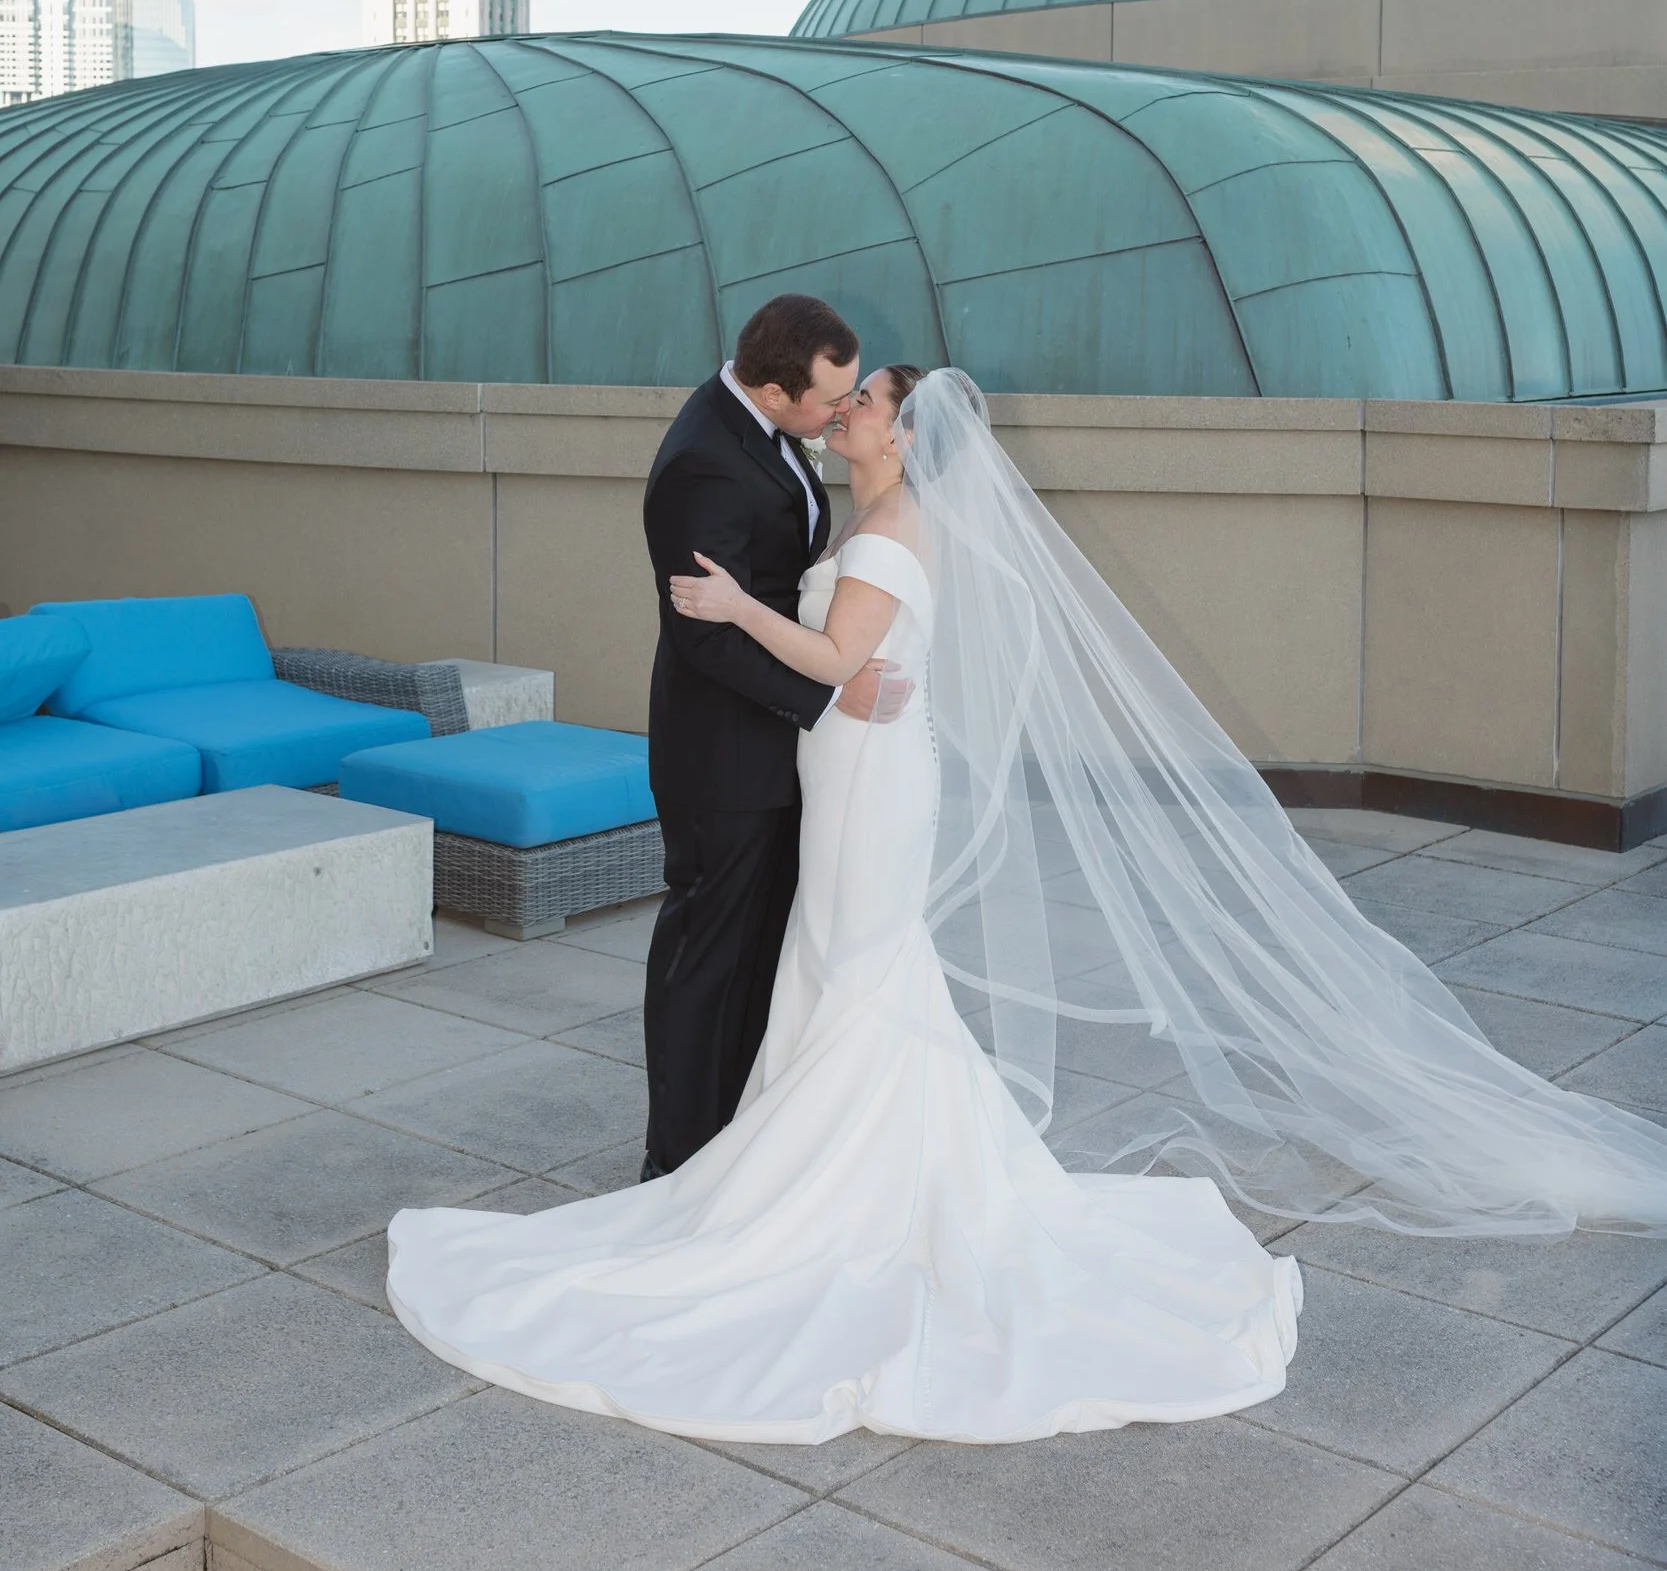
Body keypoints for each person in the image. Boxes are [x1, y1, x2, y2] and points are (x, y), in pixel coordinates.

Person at [387, 364, 1667, 1446]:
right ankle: (807, 1170)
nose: (842, 418)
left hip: (873, 782)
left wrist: (729, 606)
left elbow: (839, 663)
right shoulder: (875, 514)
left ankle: (835, 1194)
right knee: (844, 976)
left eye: (863, 407)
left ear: (902, 432)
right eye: (841, 402)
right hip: (849, 769)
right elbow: (852, 660)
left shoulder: (889, 536)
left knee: (856, 974)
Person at [635, 293, 894, 1179]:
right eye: (829, 400)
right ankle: (672, 1167)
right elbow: (702, 637)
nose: (840, 414)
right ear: (777, 393)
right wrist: (826, 698)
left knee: (758, 960)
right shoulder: (703, 462)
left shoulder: (774, 429)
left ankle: (732, 1150)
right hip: (722, 759)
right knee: (703, 965)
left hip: (776, 753)